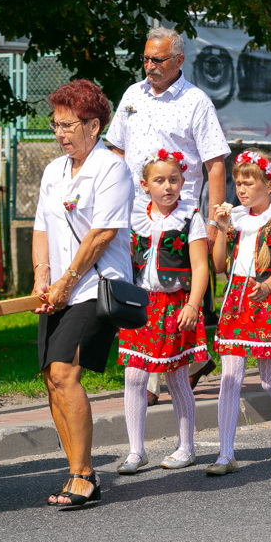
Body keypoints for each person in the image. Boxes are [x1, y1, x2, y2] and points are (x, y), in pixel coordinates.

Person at [106, 26, 231, 401]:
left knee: (172, 291)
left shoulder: (196, 101)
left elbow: (215, 165)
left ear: (179, 60)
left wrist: (213, 222)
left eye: (158, 60)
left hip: (180, 216)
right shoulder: (132, 95)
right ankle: (173, 366)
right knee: (139, 290)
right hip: (136, 216)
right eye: (145, 58)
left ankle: (165, 373)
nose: (150, 66)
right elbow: (115, 151)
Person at [32, 79, 133, 506]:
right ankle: (76, 470)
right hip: (55, 289)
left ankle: (84, 474)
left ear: (93, 126)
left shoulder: (112, 168)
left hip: (95, 285)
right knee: (51, 379)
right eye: (56, 125)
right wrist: (41, 276)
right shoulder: (54, 171)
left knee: (64, 372)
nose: (60, 133)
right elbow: (40, 227)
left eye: (68, 124)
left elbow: (102, 234)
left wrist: (66, 281)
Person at [206, 149, 271, 475]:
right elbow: (219, 266)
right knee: (230, 378)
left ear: (269, 184)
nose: (241, 190)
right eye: (238, 184)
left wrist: (267, 286)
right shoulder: (236, 218)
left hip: (266, 300)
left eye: (249, 183)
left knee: (269, 380)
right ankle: (225, 454)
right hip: (236, 300)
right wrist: (221, 229)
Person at [116, 149, 209, 474]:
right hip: (141, 305)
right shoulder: (134, 217)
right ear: (144, 185)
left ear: (183, 182)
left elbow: (200, 267)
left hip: (175, 306)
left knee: (176, 376)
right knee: (134, 376)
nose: (167, 186)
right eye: (159, 180)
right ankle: (136, 450)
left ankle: (186, 446)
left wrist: (193, 304)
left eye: (174, 179)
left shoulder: (190, 217)